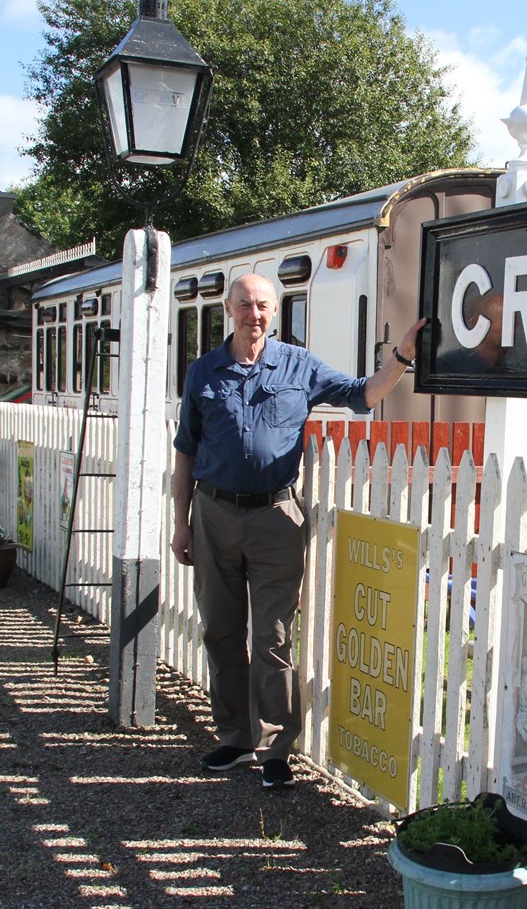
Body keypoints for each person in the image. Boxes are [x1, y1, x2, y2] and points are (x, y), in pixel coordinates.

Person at [171, 273, 425, 790]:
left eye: (263, 305)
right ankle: (234, 738)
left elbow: (364, 394)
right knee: (220, 630)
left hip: (275, 519)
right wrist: (181, 523)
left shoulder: (298, 365)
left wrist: (399, 357)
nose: (254, 314)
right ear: (229, 309)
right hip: (214, 514)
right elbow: (186, 453)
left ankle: (274, 748)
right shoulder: (203, 373)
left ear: (275, 310)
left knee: (273, 638)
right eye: (244, 305)